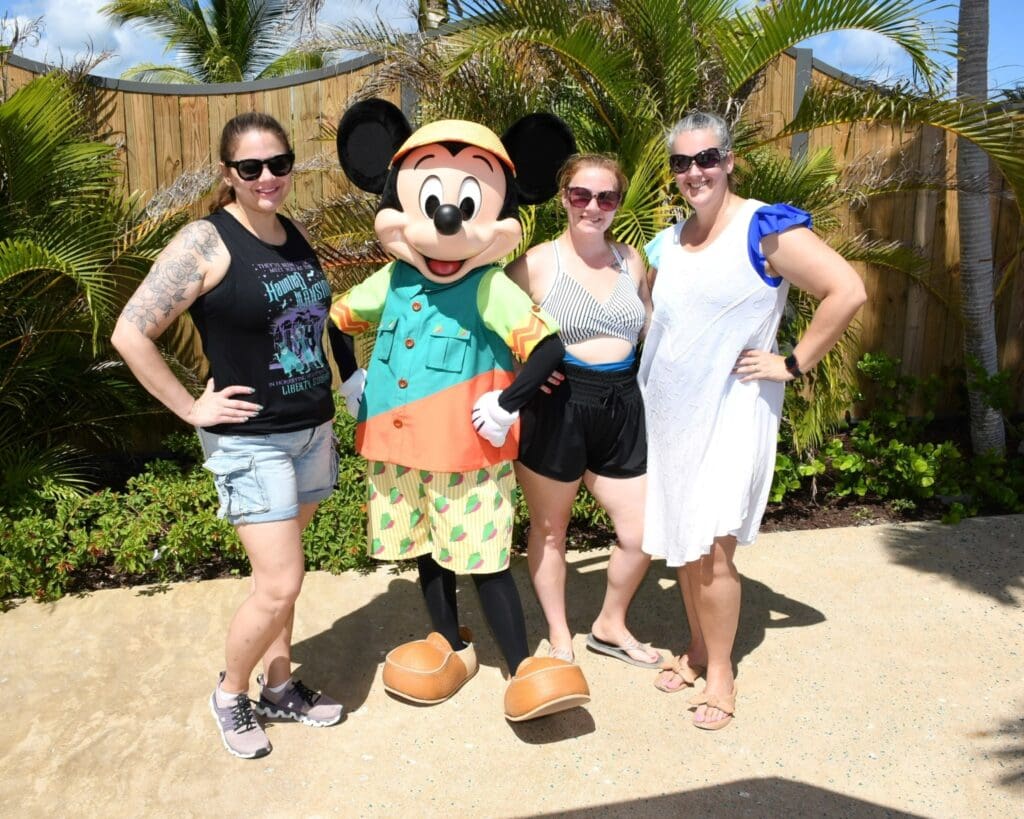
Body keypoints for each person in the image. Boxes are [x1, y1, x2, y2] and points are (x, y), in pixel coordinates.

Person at [111, 112, 356, 758]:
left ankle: (280, 685)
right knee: (279, 582)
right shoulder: (206, 241)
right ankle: (230, 692)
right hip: (253, 441)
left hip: (310, 429)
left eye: (279, 163)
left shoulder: (292, 231)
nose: (267, 177)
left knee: (286, 578)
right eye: (251, 168)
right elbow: (131, 332)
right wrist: (190, 405)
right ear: (229, 174)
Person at [640, 112, 867, 730]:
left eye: (707, 158)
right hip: (671, 417)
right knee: (685, 543)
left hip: (731, 414)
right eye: (683, 162)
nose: (695, 172)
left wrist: (793, 363)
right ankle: (694, 645)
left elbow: (846, 290)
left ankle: (720, 672)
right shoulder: (670, 241)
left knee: (713, 550)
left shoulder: (763, 227)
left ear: (730, 159)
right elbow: (658, 319)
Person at [507, 154, 660, 669]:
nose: (593, 206)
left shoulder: (632, 261)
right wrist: (522, 373)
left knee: (642, 533)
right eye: (581, 195)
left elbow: (654, 329)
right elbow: (492, 326)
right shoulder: (535, 263)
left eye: (606, 197)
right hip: (558, 406)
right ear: (563, 198)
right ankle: (559, 632)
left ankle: (609, 624)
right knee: (551, 529)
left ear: (617, 203)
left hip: (622, 404)